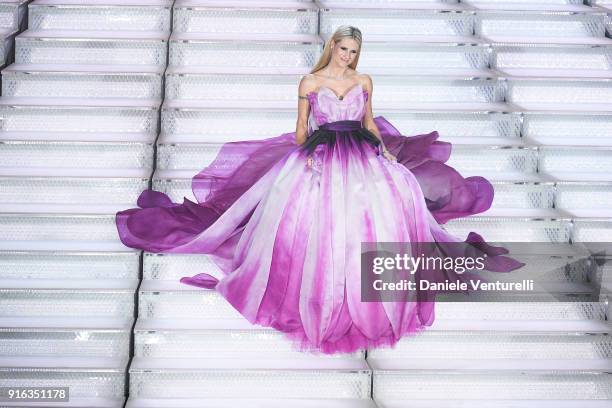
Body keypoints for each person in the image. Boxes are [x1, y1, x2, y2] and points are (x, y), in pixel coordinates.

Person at [116, 25, 523, 354]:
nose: (347, 57)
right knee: (311, 213)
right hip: (321, 150)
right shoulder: (310, 82)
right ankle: (317, 293)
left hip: (361, 151)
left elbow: (368, 123)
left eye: (353, 52)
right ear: (332, 47)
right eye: (343, 49)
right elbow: (301, 129)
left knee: (392, 198)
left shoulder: (363, 80)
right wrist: (307, 153)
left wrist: (385, 153)